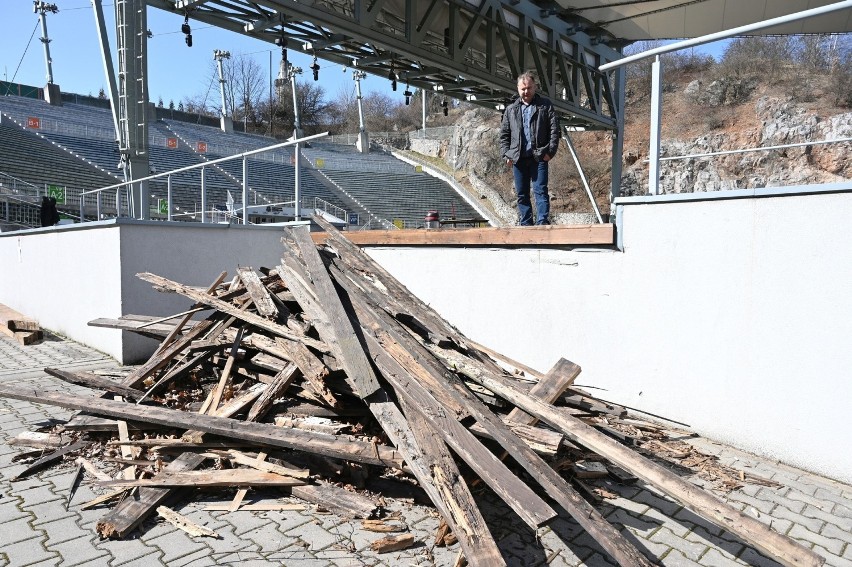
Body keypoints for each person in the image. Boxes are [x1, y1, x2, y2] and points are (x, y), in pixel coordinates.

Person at [499, 72, 560, 225]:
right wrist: (506, 155)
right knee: (521, 194)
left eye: (529, 88)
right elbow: (504, 135)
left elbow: (554, 130)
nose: (526, 92)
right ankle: (526, 224)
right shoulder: (510, 110)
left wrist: (550, 152)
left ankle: (542, 223)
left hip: (539, 156)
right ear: (518, 89)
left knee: (540, 191)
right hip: (518, 158)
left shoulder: (545, 106)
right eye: (523, 89)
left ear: (535, 87)